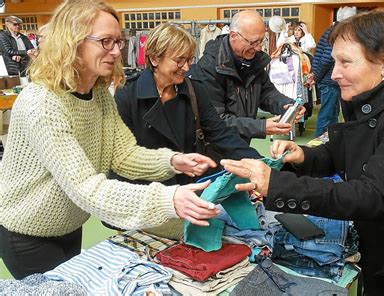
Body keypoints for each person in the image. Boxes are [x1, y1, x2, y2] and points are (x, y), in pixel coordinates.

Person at [222, 11, 384, 296]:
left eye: (345, 62)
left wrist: (276, 185)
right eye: (334, 61)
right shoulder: (374, 101)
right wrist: (303, 156)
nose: (334, 73)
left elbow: (371, 194)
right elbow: (341, 152)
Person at [0, 0, 219, 279]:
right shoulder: (42, 102)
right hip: (28, 235)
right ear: (72, 41)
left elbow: (123, 154)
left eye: (118, 41)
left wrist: (174, 161)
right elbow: (85, 187)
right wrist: (170, 198)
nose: (116, 51)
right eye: (105, 41)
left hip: (69, 224)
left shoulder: (99, 93)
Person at [114, 22, 261, 186]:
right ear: (154, 59)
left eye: (189, 59)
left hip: (185, 187)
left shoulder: (194, 91)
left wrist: (259, 162)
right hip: (144, 193)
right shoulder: (127, 95)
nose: (186, 67)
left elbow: (221, 134)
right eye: (179, 60)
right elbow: (123, 154)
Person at [190, 10, 304, 143]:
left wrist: (286, 105)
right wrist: (260, 127)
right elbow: (215, 120)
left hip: (240, 144)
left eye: (261, 41)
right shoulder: (209, 67)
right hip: (214, 148)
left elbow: (266, 93)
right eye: (253, 42)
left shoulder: (254, 60)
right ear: (233, 36)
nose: (258, 48)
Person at [312, 6, 357, 137]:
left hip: (330, 80)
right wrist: (317, 77)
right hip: (328, 80)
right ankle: (317, 144)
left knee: (333, 114)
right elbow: (327, 59)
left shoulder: (334, 30)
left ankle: (332, 141)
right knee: (327, 114)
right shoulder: (337, 33)